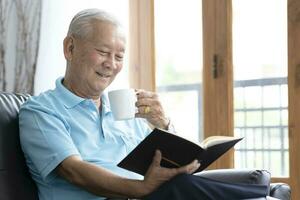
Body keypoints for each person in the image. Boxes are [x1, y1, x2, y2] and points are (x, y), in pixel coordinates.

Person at [19, 8, 268, 200]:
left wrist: (164, 124)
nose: (111, 64)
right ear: (70, 48)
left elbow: (166, 163)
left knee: (258, 181)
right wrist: (141, 188)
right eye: (104, 52)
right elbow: (74, 170)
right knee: (212, 188)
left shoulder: (124, 110)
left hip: (152, 195)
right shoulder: (41, 112)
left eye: (119, 56)